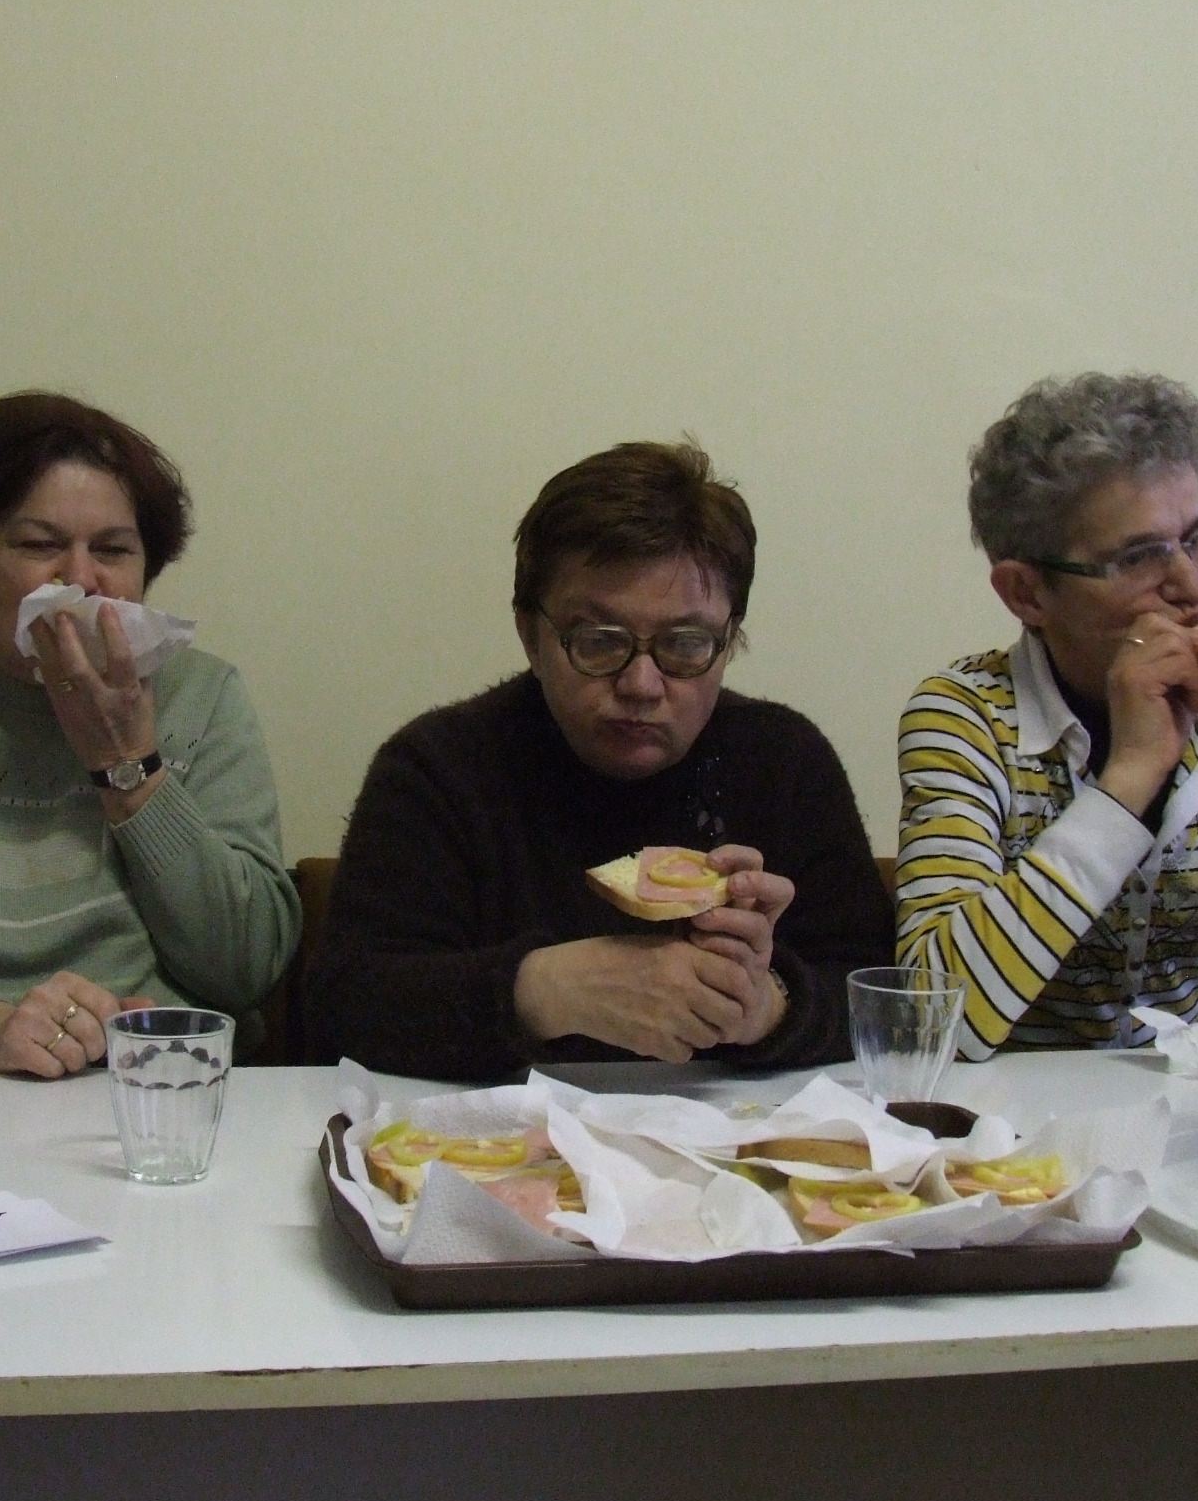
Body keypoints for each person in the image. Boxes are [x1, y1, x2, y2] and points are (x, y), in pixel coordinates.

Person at [308, 439, 895, 1082]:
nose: (641, 684)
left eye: (686, 644)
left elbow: (877, 994)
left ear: (730, 641)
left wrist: (766, 1007)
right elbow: (348, 1003)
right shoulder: (438, 769)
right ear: (530, 635)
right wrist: (543, 989)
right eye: (598, 641)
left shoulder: (785, 763)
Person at [895, 373, 1198, 1056]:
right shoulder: (967, 713)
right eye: (1139, 557)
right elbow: (933, 1019)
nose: (1192, 587)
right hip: (1001, 1111)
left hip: (1181, 1108)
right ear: (1027, 593)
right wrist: (1130, 777)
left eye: (1197, 538)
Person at [0, 391, 297, 1074]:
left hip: (168, 1078)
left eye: (113, 550)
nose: (81, 580)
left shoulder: (203, 696)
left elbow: (247, 966)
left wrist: (128, 765)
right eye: (40, 546)